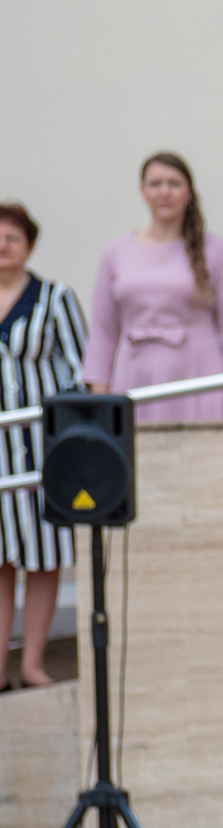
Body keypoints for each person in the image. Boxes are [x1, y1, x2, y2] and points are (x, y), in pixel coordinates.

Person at [85, 153, 223, 422]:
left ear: (189, 192)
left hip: (199, 376)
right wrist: (101, 403)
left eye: (174, 183)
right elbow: (102, 332)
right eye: (155, 184)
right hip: (134, 378)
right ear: (143, 191)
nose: (164, 192)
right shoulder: (116, 252)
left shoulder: (216, 250)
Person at [0, 203, 84, 690]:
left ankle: (32, 663)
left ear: (29, 246)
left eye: (12, 237)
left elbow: (80, 369)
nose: (3, 245)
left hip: (40, 449)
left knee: (43, 554)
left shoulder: (55, 298)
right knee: (0, 559)